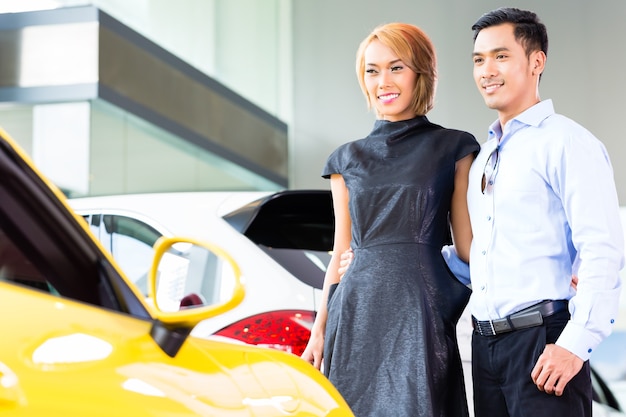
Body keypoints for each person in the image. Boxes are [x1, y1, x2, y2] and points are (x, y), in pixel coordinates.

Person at [300, 22, 480, 416]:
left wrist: (539, 270)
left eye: (396, 67)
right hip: (356, 311)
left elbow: (468, 244)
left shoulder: (454, 146)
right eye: (372, 70)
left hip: (421, 307)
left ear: (422, 72)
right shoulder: (345, 160)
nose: (384, 80)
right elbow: (341, 251)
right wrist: (320, 330)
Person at [457, 7, 623, 417]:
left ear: (536, 62)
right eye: (479, 60)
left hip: (543, 339)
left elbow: (602, 249)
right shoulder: (484, 158)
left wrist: (573, 344)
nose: (486, 70)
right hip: (486, 346)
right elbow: (486, 255)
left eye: (500, 56)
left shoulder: (566, 142)